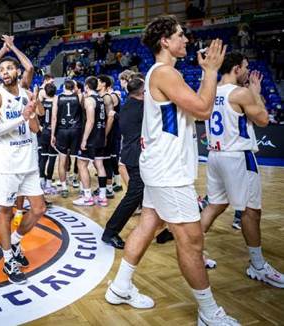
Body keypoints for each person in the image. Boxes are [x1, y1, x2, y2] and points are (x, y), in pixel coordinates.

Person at [104, 16, 239, 325]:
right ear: (165, 41)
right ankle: (209, 312)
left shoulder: (162, 73)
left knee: (148, 225)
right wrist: (210, 71)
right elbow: (204, 109)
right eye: (180, 36)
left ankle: (120, 287)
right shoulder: (165, 73)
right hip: (168, 172)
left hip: (158, 167)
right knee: (191, 241)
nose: (186, 41)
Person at [201, 52, 284, 288]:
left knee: (215, 204)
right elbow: (264, 120)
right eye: (245, 67)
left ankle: (195, 252)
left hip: (214, 156)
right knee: (251, 211)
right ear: (236, 69)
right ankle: (258, 266)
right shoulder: (241, 92)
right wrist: (256, 93)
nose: (247, 71)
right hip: (237, 156)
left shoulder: (209, 90)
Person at [0, 55, 46, 284]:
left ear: (18, 71)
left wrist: (33, 108)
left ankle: (16, 241)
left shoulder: (25, 93)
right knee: (6, 213)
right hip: (6, 166)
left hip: (28, 163)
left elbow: (36, 127)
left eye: (10, 68)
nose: (5, 72)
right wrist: (20, 117)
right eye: (2, 69)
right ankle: (8, 258)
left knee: (39, 209)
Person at [101, 77, 144, 249]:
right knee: (135, 194)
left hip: (130, 153)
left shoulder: (127, 105)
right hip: (136, 155)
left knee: (148, 195)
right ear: (142, 92)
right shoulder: (141, 107)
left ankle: (165, 228)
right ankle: (110, 232)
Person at [73, 76, 112, 206]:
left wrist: (84, 139)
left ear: (87, 86)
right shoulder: (101, 99)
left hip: (91, 137)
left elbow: (90, 121)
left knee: (81, 165)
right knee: (99, 165)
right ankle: (102, 196)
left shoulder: (89, 100)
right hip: (100, 135)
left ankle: (88, 197)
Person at [51, 79, 83, 198]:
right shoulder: (79, 96)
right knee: (80, 160)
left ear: (64, 86)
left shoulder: (57, 98)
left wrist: (52, 134)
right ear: (73, 86)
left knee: (62, 160)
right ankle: (81, 186)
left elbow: (54, 118)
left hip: (62, 130)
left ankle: (64, 187)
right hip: (76, 130)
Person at [39, 83, 58, 195]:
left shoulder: (41, 103)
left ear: (45, 92)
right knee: (52, 158)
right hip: (52, 132)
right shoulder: (57, 103)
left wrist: (41, 128)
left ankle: (41, 180)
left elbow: (36, 116)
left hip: (44, 131)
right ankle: (49, 183)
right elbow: (56, 118)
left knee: (43, 157)